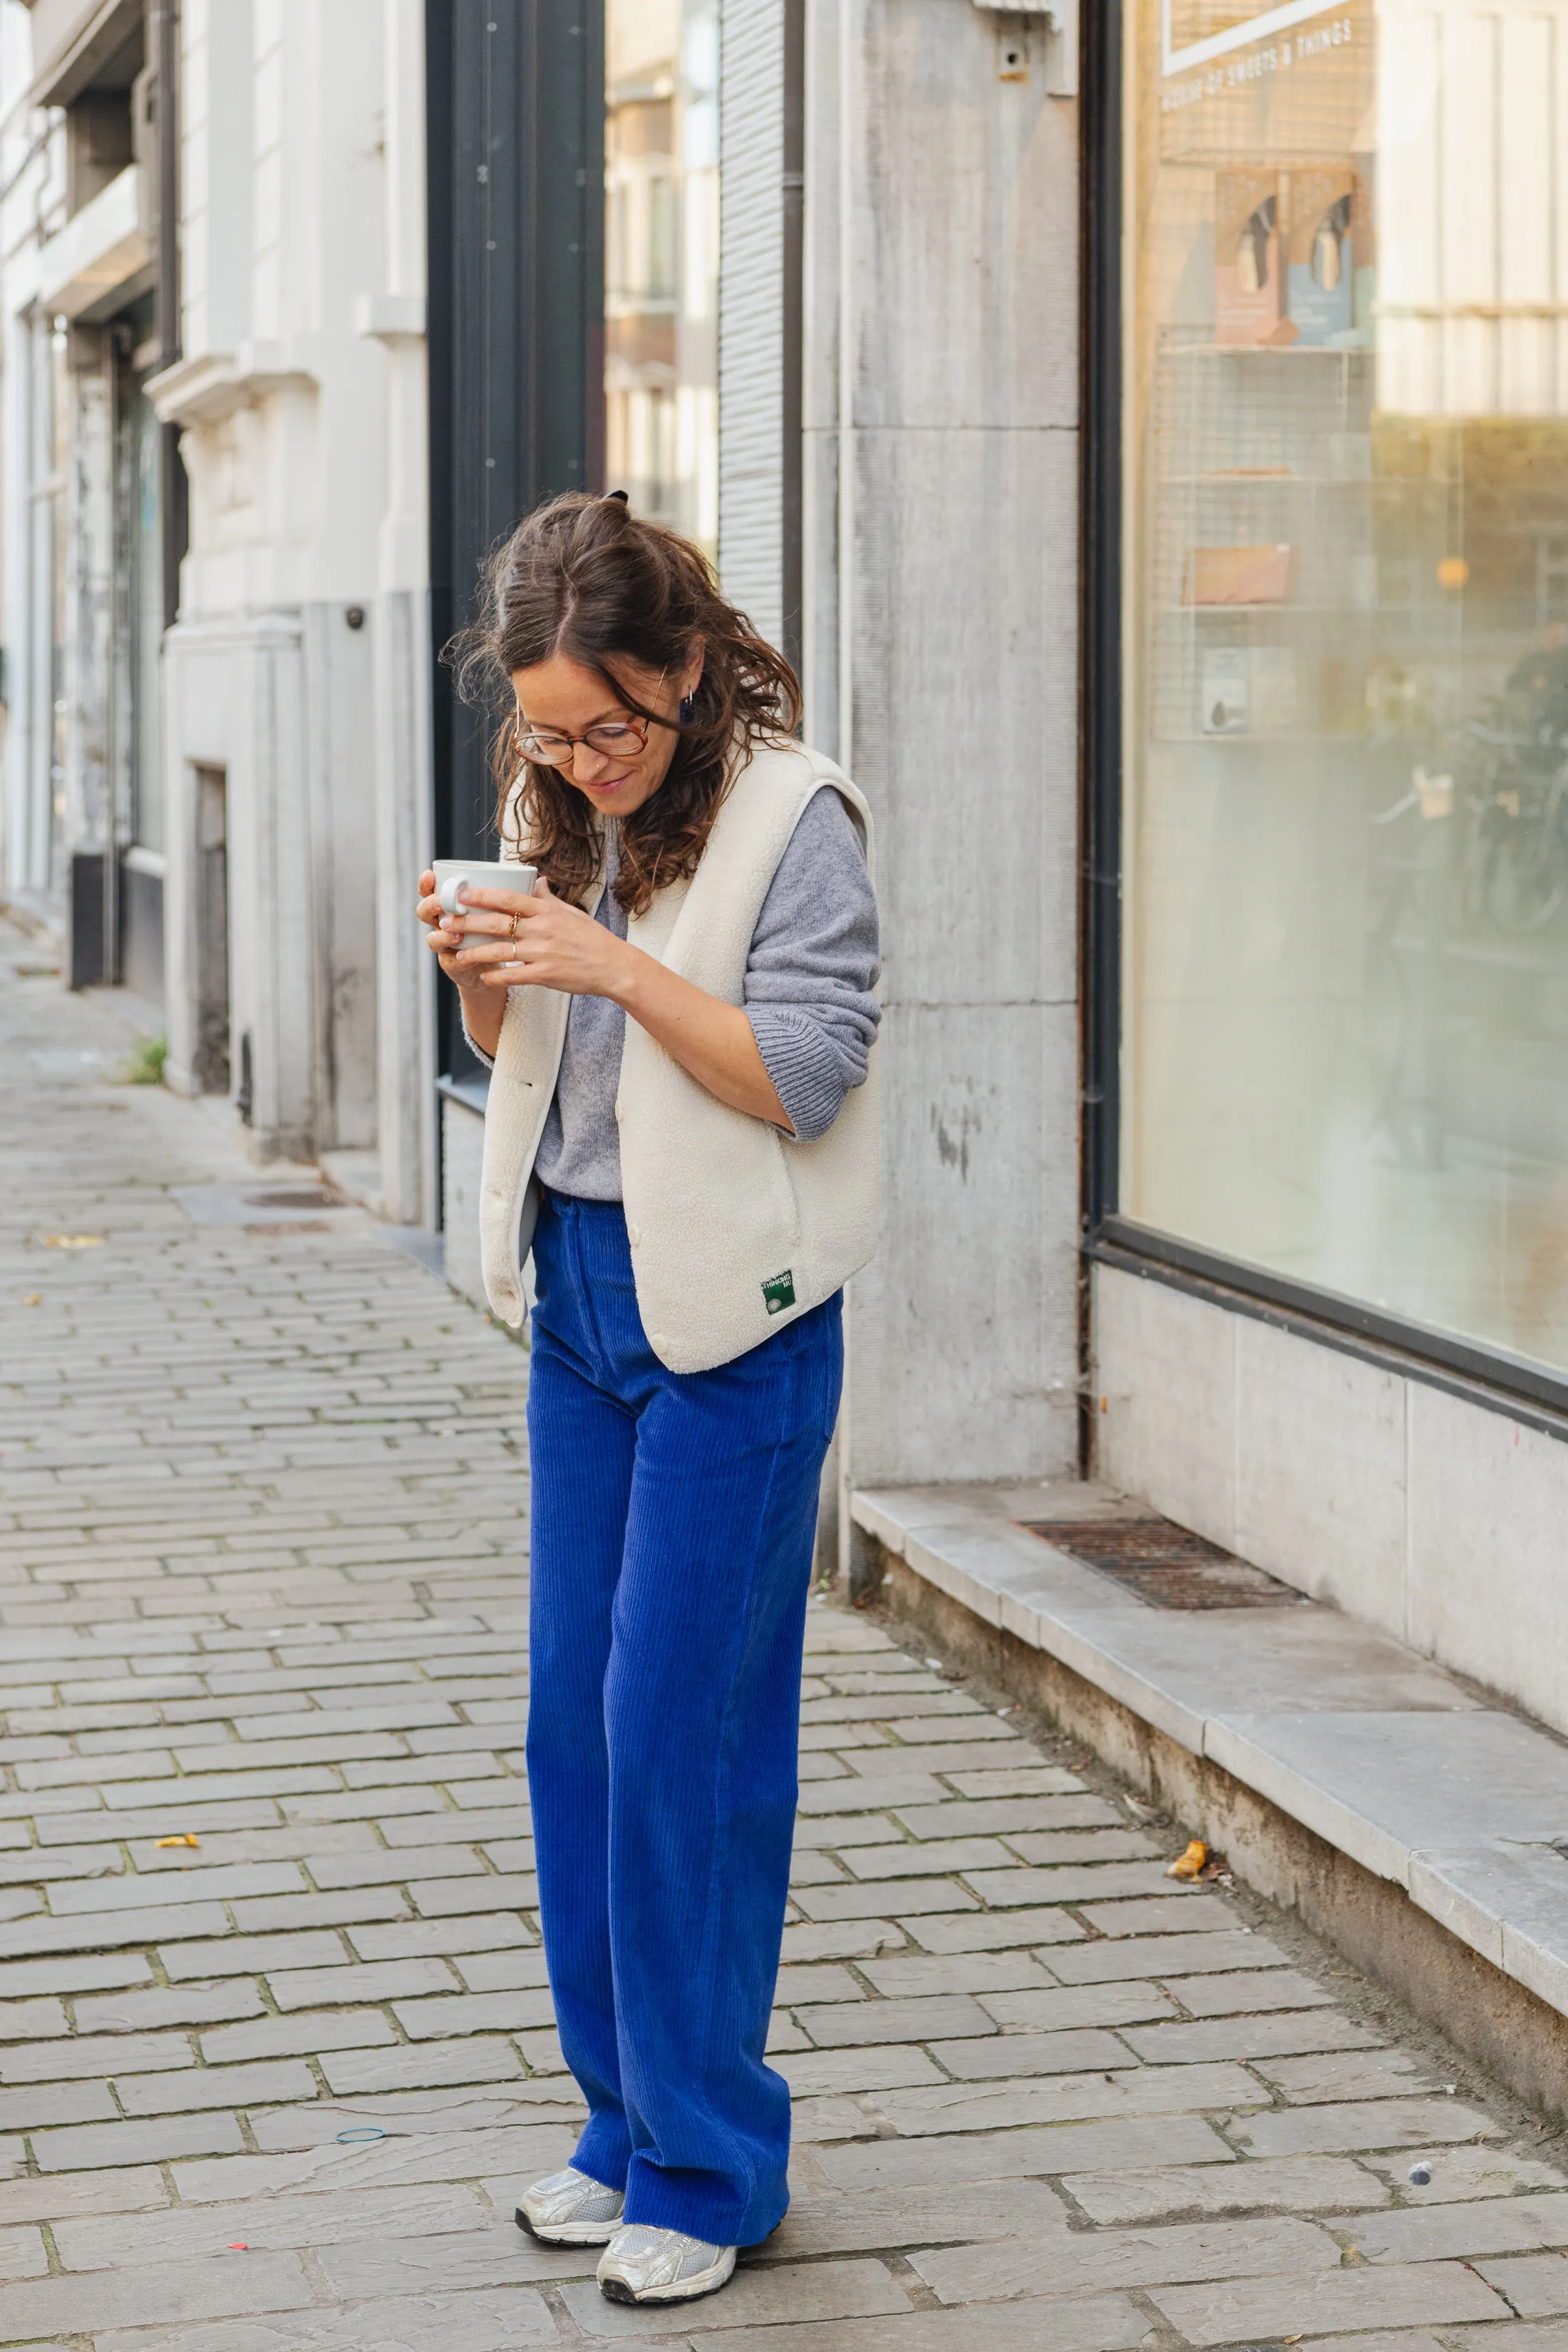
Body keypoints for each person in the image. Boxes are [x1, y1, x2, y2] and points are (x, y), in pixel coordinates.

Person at [414, 491, 881, 2307]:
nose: (581, 763)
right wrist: (488, 977)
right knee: (573, 1733)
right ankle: (619, 2123)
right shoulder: (561, 805)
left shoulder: (794, 814)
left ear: (687, 670)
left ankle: (713, 2158)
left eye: (610, 728)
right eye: (545, 732)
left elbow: (806, 1074)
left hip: (737, 1327)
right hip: (581, 1302)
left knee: (682, 1737)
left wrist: (610, 960)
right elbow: (534, 1057)